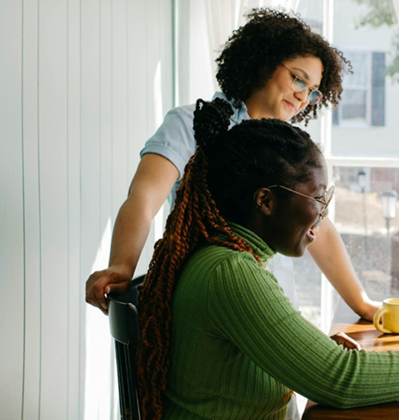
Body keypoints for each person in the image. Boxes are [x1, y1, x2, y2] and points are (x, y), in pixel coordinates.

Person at [136, 99, 399, 420]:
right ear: (265, 201)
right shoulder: (230, 272)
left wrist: (303, 348)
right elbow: (339, 381)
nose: (323, 214)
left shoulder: (228, 259)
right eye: (317, 198)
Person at [85, 8, 383, 322]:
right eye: (298, 78)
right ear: (264, 62)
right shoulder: (192, 123)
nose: (302, 96)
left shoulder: (289, 149)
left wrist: (362, 304)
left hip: (276, 309)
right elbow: (143, 198)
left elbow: (317, 228)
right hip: (214, 309)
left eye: (312, 92)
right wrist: (121, 265)